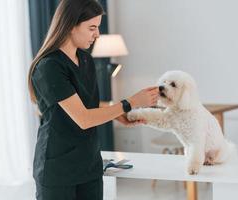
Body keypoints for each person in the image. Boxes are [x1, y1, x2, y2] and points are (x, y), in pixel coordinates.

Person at [27, 0, 159, 199]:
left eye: (97, 27)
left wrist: (117, 115)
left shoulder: (86, 60)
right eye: (92, 28)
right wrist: (129, 103)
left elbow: (86, 104)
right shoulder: (49, 67)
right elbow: (84, 118)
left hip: (89, 163)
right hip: (58, 169)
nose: (97, 34)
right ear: (70, 25)